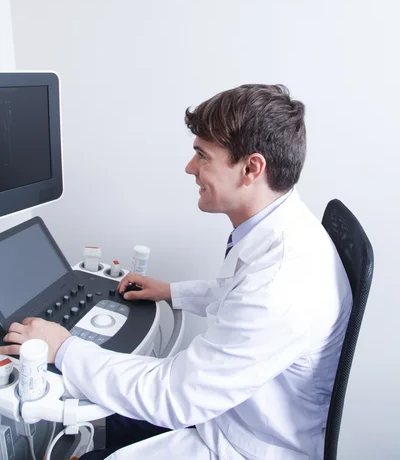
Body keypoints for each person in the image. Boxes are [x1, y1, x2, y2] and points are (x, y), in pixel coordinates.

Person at [0, 84, 352, 460]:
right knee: (105, 422)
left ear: (251, 168)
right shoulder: (283, 230)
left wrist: (64, 348)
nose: (189, 167)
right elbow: (236, 292)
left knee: (99, 440)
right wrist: (172, 291)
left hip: (244, 443)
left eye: (202, 155)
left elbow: (175, 396)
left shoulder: (282, 281)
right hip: (232, 409)